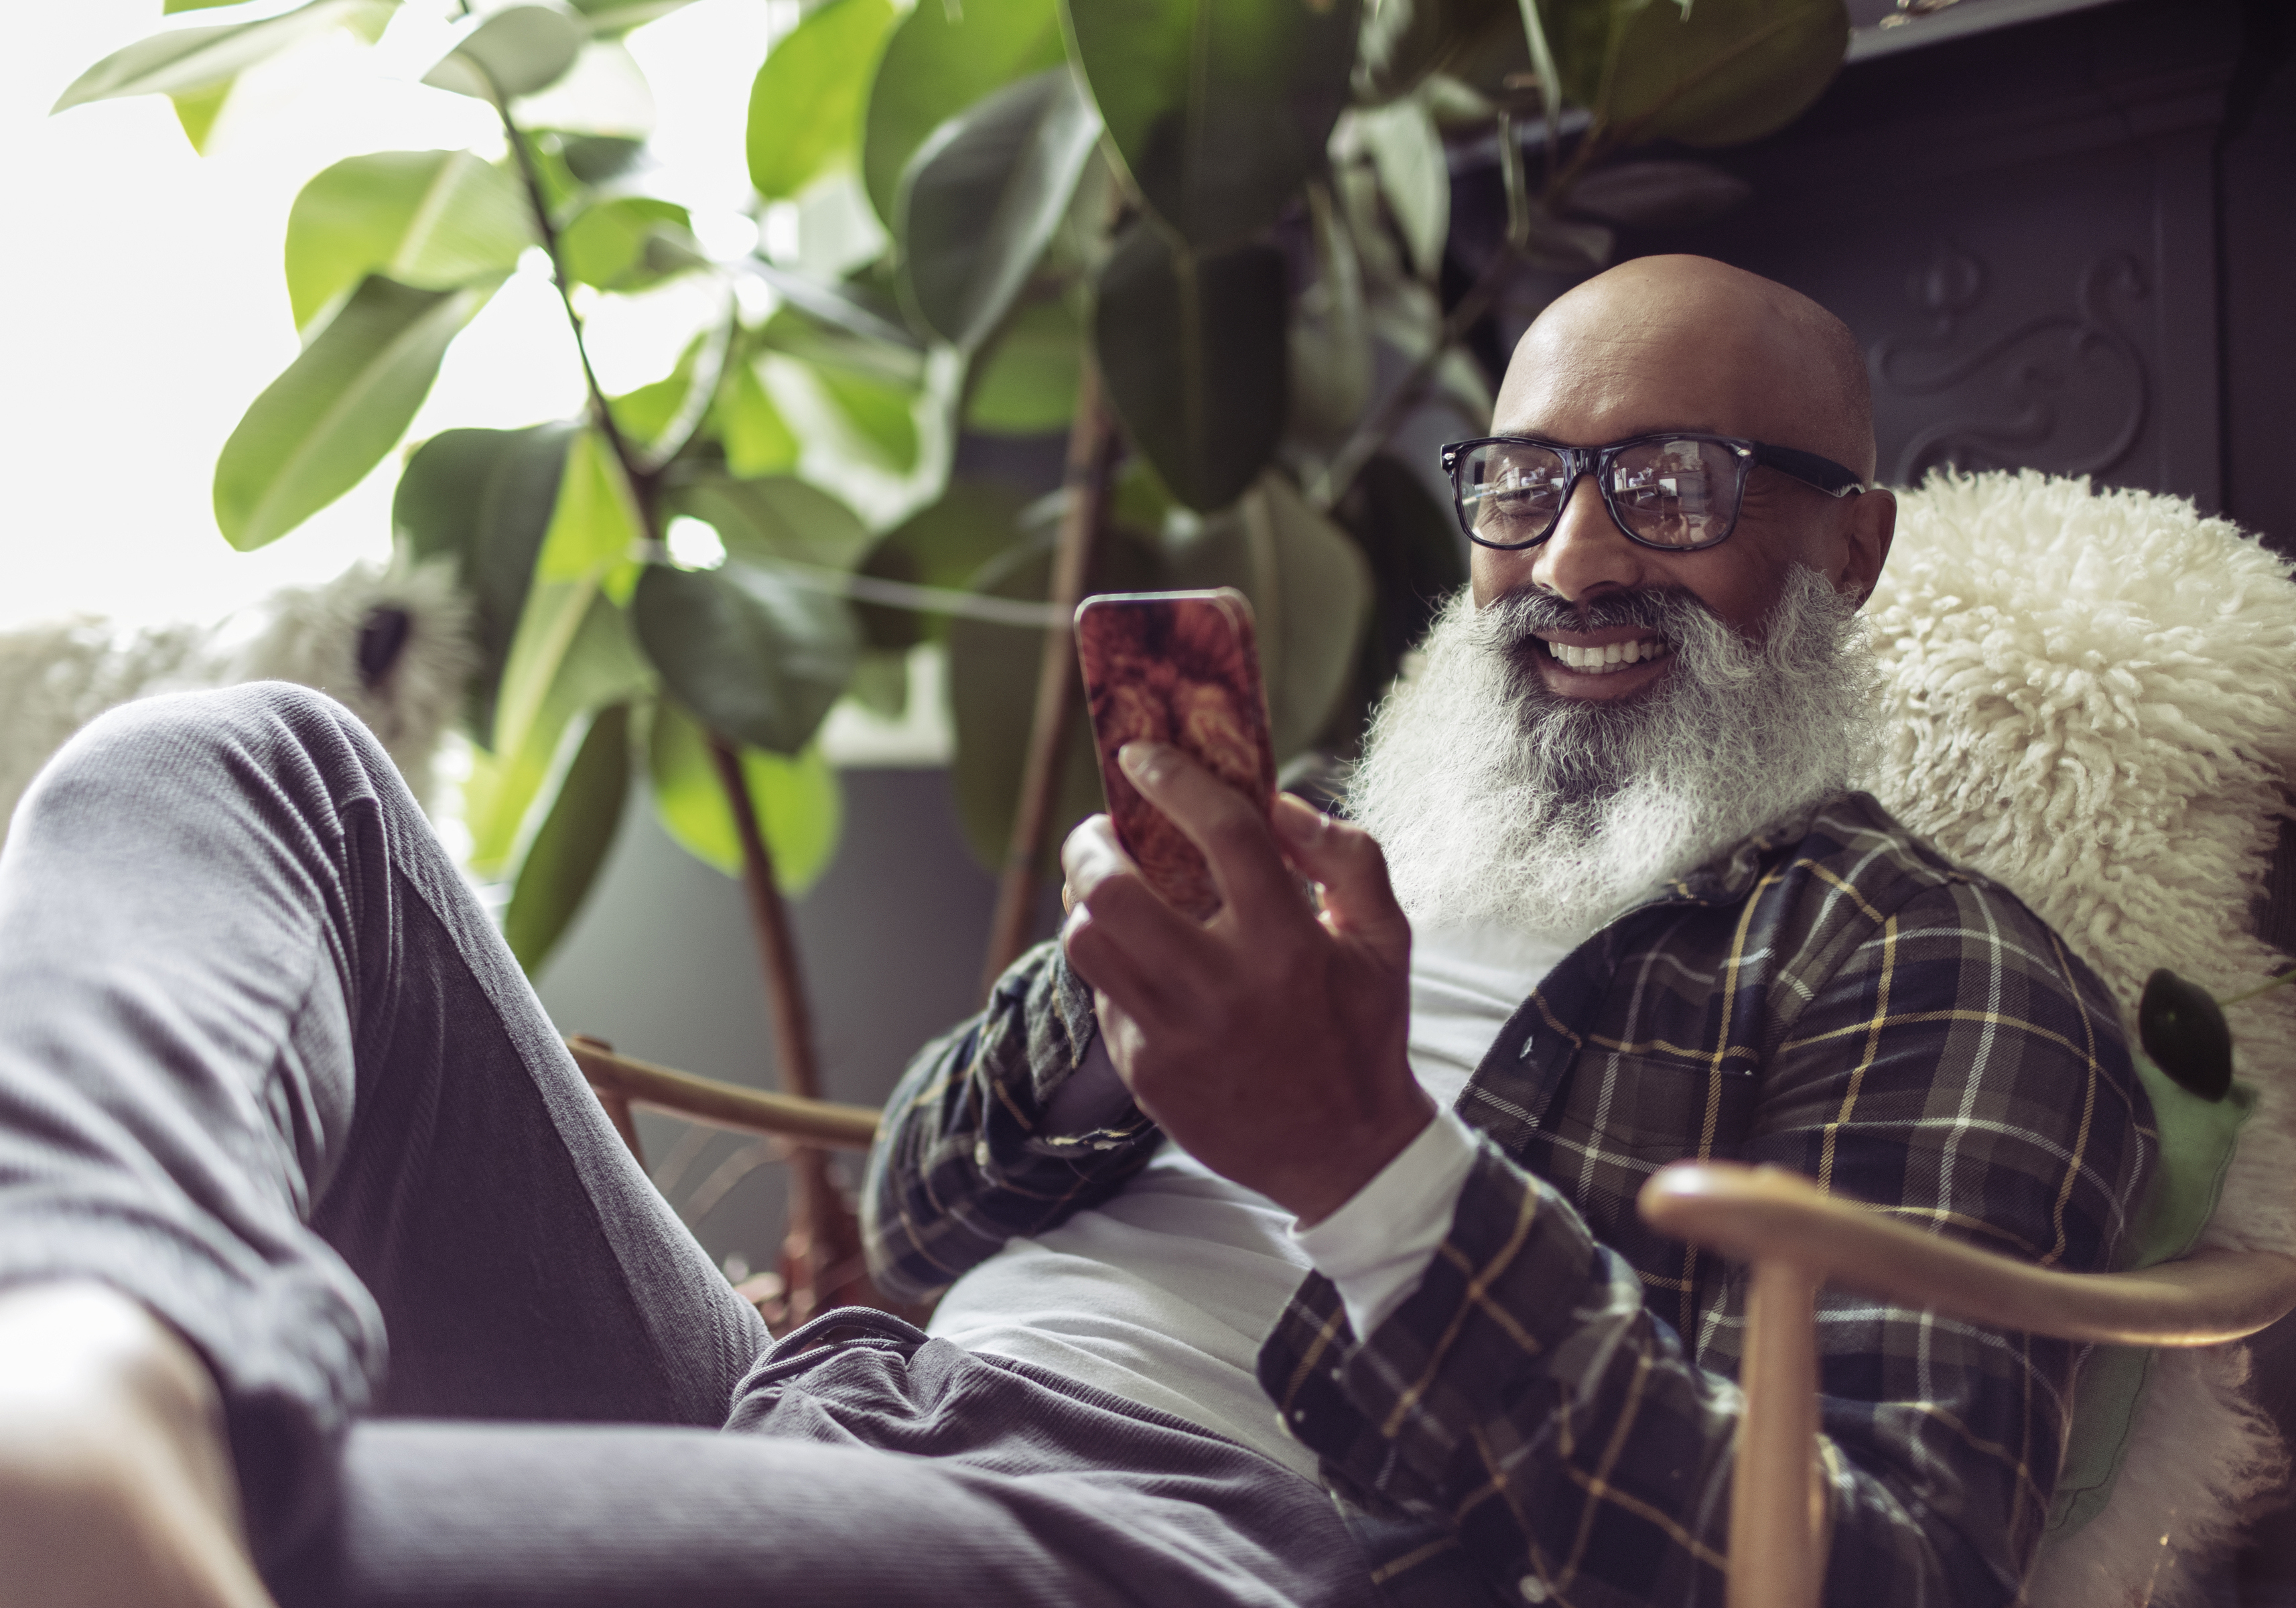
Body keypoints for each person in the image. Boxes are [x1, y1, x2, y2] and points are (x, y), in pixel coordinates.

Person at [0, 255, 2149, 1608]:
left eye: (1671, 487)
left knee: (287, 1549)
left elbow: (1870, 1572)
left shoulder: (1925, 965)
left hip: (1212, 1538)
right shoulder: (1327, 811)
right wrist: (1106, 1035)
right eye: (1517, 484)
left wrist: (1364, 1163)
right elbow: (918, 1204)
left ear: (1847, 545)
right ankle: (86, 1338)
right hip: (843, 1399)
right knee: (250, 763)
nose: (1571, 555)